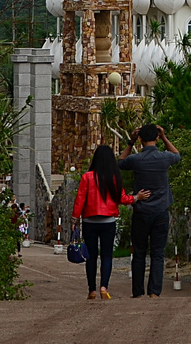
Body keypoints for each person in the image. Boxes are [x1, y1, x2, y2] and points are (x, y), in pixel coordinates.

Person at [71, 144, 148, 301]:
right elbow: (122, 198)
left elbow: (80, 200)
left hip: (89, 221)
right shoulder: (114, 178)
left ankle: (91, 290)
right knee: (107, 255)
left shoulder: (87, 177)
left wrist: (74, 220)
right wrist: (136, 198)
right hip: (108, 221)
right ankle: (104, 287)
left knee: (90, 256)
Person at [120, 123, 182, 298]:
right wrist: (164, 137)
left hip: (141, 211)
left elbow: (120, 162)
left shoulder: (136, 159)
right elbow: (177, 156)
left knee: (139, 253)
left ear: (140, 139)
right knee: (157, 254)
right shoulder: (164, 158)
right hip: (161, 211)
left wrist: (130, 142)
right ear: (156, 138)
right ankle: (154, 292)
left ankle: (138, 292)